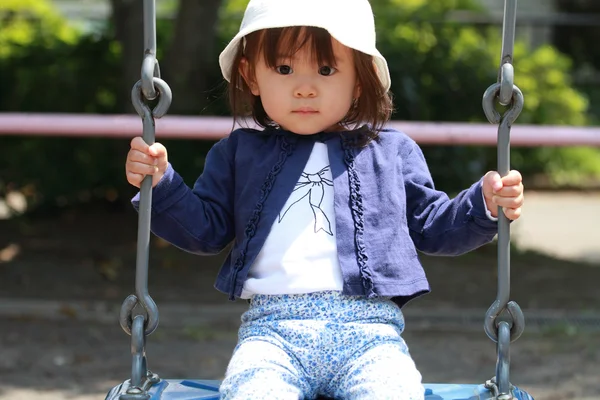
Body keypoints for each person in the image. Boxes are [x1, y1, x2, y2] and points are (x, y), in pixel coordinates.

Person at [124, 0, 525, 398]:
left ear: (360, 80)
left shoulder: (390, 152)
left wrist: (484, 203)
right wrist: (160, 184)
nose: (304, 86)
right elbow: (204, 231)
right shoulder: (237, 153)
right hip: (272, 335)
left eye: (327, 69)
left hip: (371, 337)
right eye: (283, 68)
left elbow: (435, 226)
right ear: (250, 76)